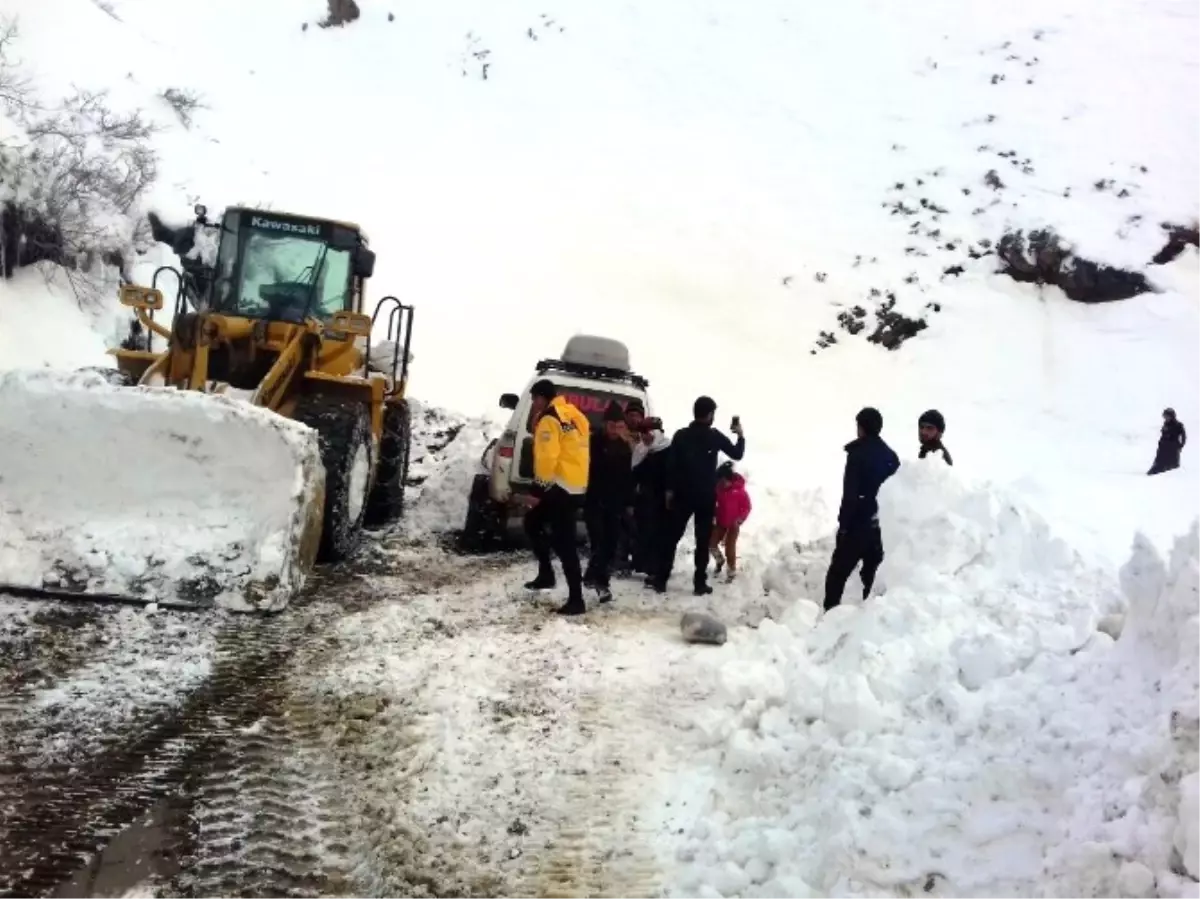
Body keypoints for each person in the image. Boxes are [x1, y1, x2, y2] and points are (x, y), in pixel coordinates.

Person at [649, 396, 745, 596]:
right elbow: (737, 454)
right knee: (702, 541)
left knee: (671, 538)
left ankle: (660, 579)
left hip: (682, 496)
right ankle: (699, 583)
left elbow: (671, 466)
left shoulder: (681, 436)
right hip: (705, 498)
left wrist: (669, 491)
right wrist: (740, 435)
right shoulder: (714, 436)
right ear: (710, 415)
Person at [523, 379, 590, 615]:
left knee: (565, 543)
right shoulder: (572, 413)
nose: (533, 403)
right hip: (575, 484)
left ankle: (576, 600)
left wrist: (536, 491)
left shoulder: (550, 419)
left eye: (534, 399)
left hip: (559, 486)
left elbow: (547, 458)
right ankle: (546, 575)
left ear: (542, 397)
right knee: (532, 523)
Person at [824, 407, 900, 611]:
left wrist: (844, 526)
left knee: (837, 574)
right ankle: (870, 616)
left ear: (862, 427)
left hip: (857, 525)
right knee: (871, 575)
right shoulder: (891, 457)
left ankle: (829, 615)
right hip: (879, 526)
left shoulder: (857, 455)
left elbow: (850, 494)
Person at [583, 401, 634, 603]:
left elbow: (632, 475)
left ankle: (592, 576)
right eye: (611, 425)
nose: (614, 430)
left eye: (619, 425)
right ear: (605, 424)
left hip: (616, 503)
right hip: (595, 500)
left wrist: (628, 502)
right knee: (599, 541)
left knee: (611, 544)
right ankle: (601, 583)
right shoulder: (593, 442)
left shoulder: (627, 446)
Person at [631, 417, 670, 576]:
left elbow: (671, 475)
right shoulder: (641, 450)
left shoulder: (668, 449)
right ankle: (642, 564)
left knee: (657, 534)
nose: (643, 437)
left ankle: (655, 569)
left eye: (646, 433)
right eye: (641, 433)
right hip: (644, 499)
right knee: (642, 531)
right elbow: (635, 473)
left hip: (660, 500)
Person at [711, 462, 752, 583]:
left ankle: (731, 570)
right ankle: (719, 560)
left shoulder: (740, 492)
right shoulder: (718, 490)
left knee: (730, 548)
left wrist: (740, 519)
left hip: (733, 525)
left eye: (724, 482)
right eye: (720, 482)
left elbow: (747, 507)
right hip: (719, 523)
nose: (722, 484)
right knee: (711, 544)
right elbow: (714, 504)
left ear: (729, 479)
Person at [1148, 408, 1186, 475]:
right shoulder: (1166, 424)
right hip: (1163, 447)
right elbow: (1163, 435)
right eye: (1164, 416)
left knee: (1171, 467)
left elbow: (1183, 436)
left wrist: (1180, 445)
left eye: (1167, 416)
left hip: (1172, 448)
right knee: (1158, 464)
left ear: (1172, 416)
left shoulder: (1178, 425)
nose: (1165, 418)